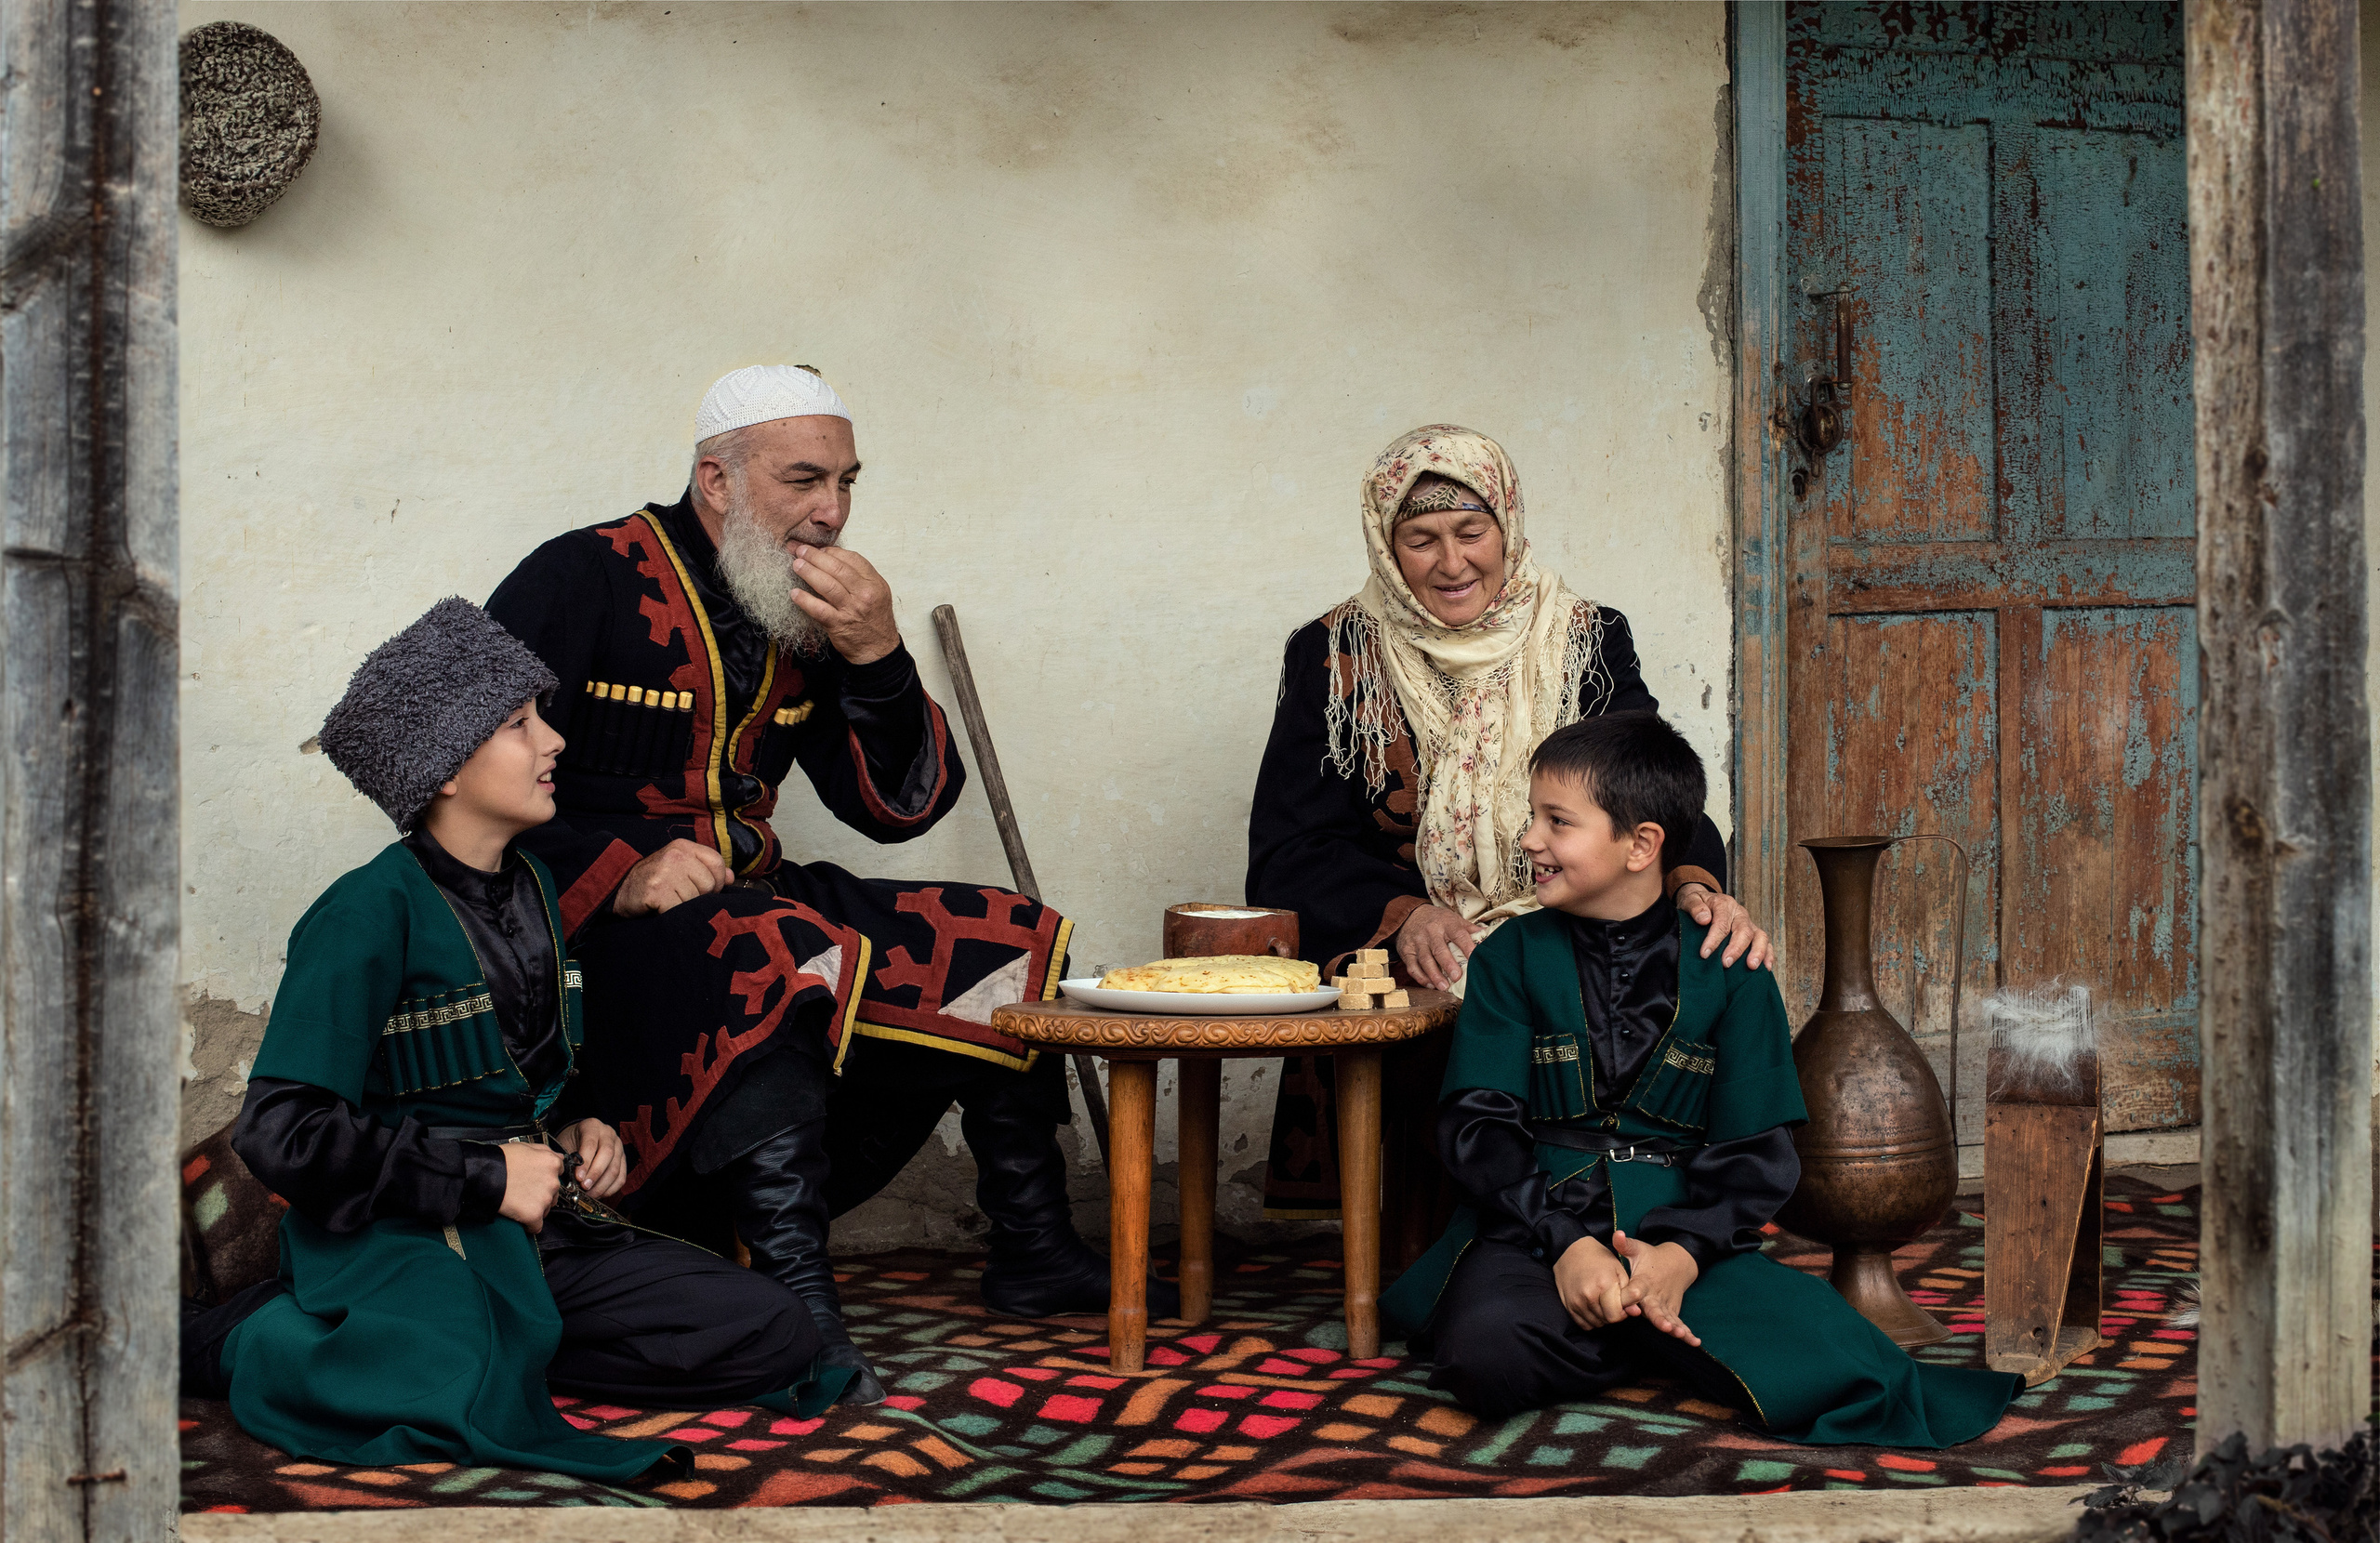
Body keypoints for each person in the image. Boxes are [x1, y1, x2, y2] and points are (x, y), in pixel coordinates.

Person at [484, 365, 1170, 1405]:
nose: (833, 509)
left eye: (847, 480)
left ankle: (1032, 1243)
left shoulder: (796, 597)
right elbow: (459, 770)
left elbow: (895, 807)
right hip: (594, 926)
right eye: (804, 478)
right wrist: (619, 872)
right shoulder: (576, 576)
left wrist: (880, 656)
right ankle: (796, 1305)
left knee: (1005, 933)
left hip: (752, 896)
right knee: (774, 950)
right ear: (715, 477)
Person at [180, 599, 851, 1483]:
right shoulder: (363, 915)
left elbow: (527, 1068)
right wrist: (485, 1176)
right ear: (446, 770)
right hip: (406, 1237)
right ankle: (257, 1335)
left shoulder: (535, 886)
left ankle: (493, 1344)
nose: (554, 742)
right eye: (518, 724)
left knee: (775, 1333)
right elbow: (282, 1129)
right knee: (446, 1387)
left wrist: (583, 1126)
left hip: (540, 1235)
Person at [1380, 711, 2019, 1443]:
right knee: (1484, 1357)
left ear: (1641, 845)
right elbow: (1478, 1127)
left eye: (1557, 822)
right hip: (1532, 1230)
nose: (1530, 840)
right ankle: (1653, 1336)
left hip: (1688, 1234)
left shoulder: (1734, 972)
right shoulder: (1508, 958)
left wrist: (1682, 1257)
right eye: (1534, 817)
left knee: (1842, 1364)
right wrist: (1570, 1246)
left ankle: (1639, 1318)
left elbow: (1757, 1149)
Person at [1249, 424, 1772, 1219]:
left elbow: (1652, 788)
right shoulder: (1336, 655)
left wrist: (1696, 882)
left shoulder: (1586, 638)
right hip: (1428, 950)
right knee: (1451, 1023)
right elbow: (1290, 850)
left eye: (1471, 531)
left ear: (1509, 527)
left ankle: (1660, 1213)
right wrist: (1406, 916)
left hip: (1570, 919)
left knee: (1674, 987)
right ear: (1388, 547)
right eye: (1421, 539)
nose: (1452, 563)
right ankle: (1493, 1232)